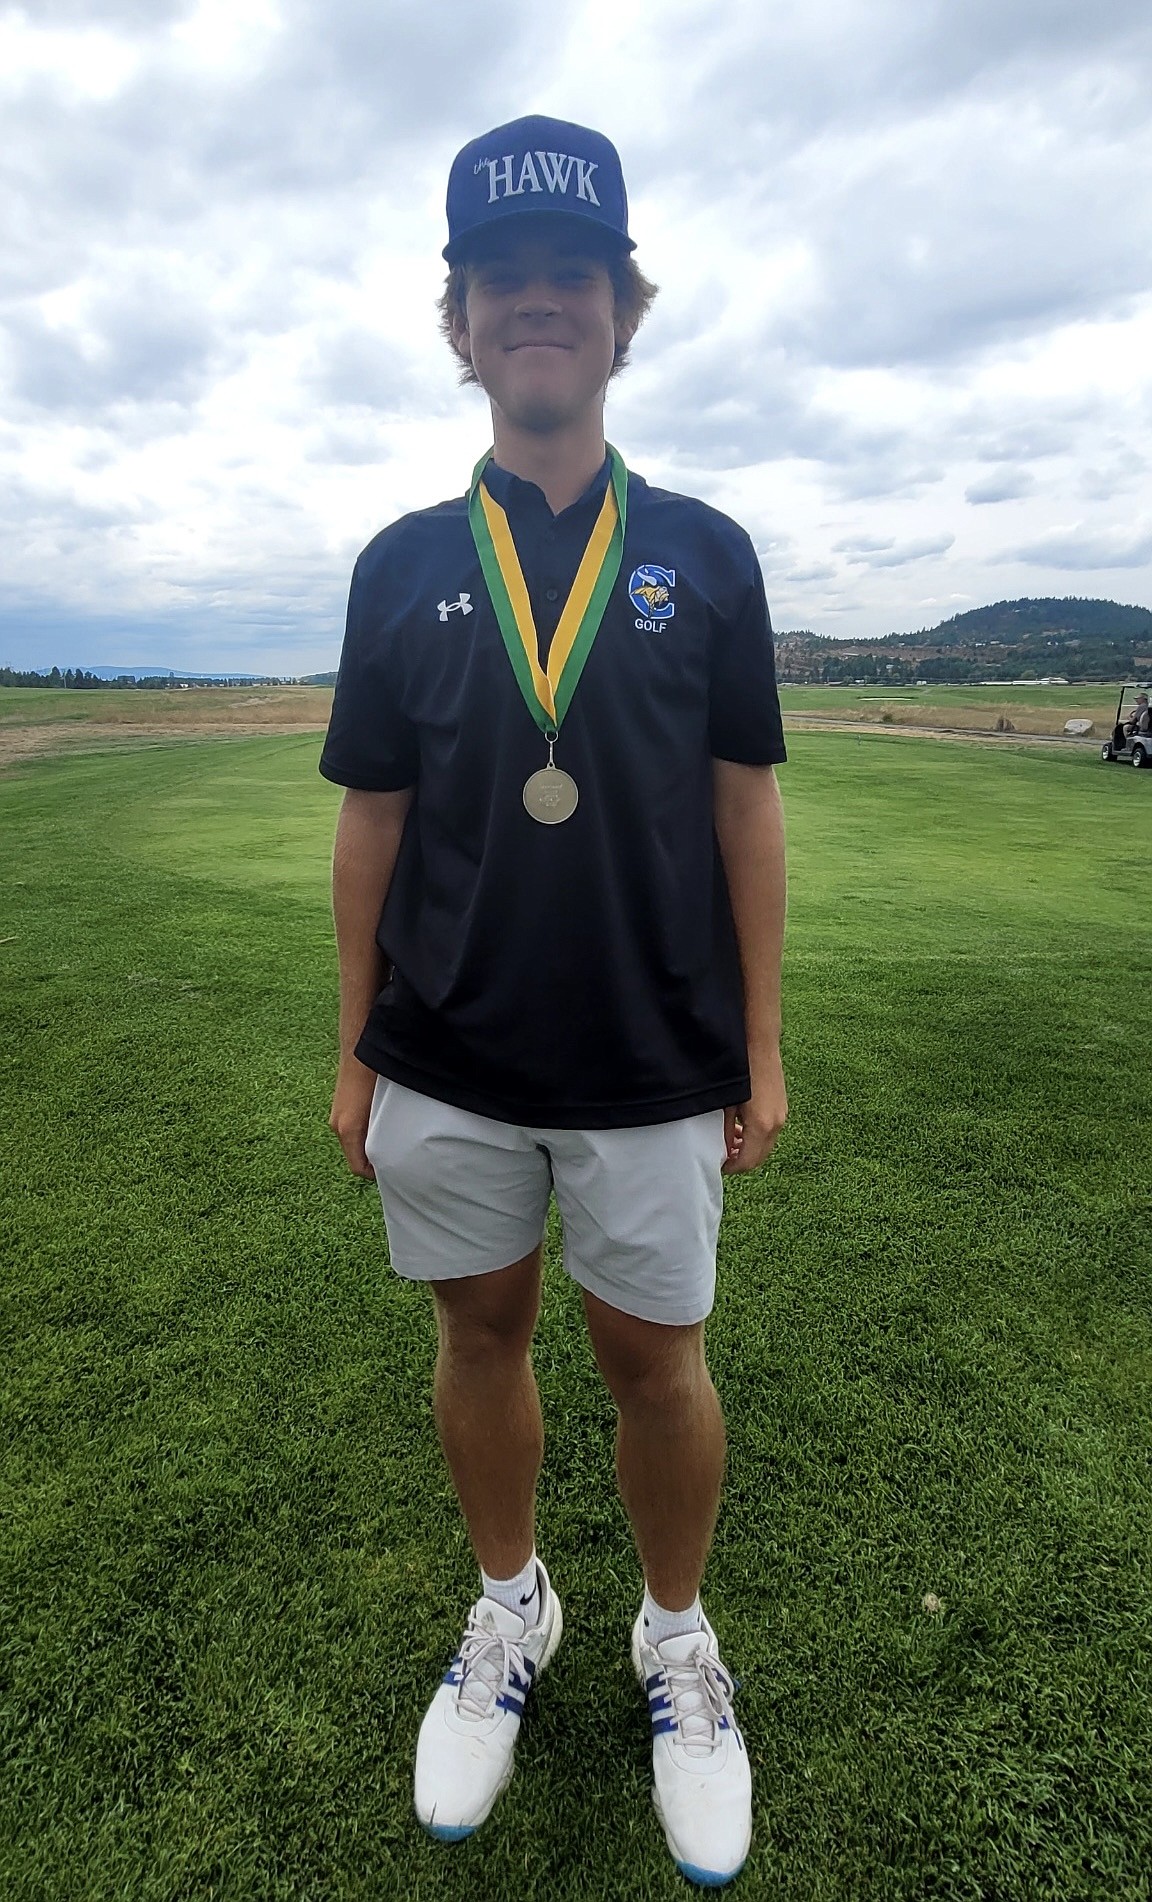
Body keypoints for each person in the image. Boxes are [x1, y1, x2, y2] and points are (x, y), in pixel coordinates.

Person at [320, 113, 788, 1889]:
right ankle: (513, 1604)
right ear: (460, 321)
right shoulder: (396, 565)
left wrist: (760, 1040)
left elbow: (747, 802)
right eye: (501, 280)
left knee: (657, 1362)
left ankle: (678, 1636)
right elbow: (373, 823)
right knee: (479, 1337)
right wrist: (355, 1046)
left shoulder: (705, 551)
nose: (538, 306)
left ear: (621, 307)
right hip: (445, 1053)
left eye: (569, 277)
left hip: (656, 1059)